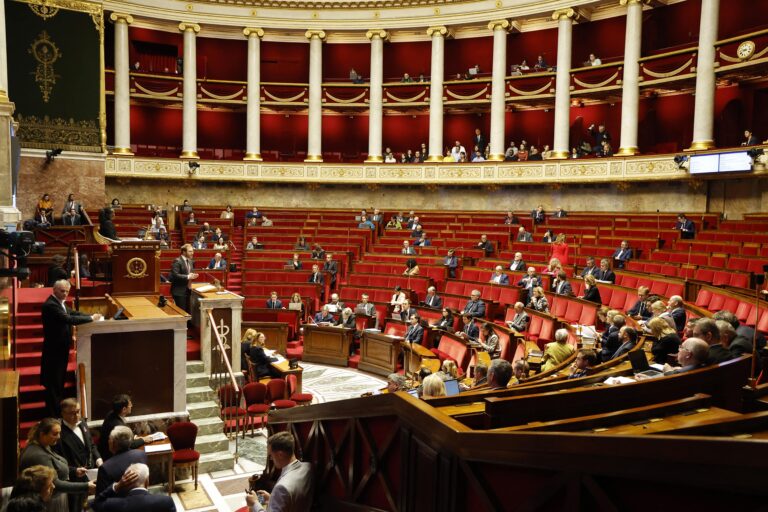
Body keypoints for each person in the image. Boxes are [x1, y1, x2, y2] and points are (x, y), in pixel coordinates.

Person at [41, 280, 101, 417]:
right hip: (54, 351)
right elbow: (68, 319)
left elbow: (73, 313)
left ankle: (57, 412)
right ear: (54, 290)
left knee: (58, 382)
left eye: (67, 291)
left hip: (60, 349)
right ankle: (53, 415)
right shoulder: (50, 305)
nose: (65, 294)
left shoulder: (59, 303)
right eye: (62, 291)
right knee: (54, 384)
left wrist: (91, 316)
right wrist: (91, 318)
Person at [20, 418, 95, 510]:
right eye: (55, 434)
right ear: (42, 434)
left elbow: (55, 467)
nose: (59, 437)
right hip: (47, 502)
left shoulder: (44, 445)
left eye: (59, 433)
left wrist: (74, 471)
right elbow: (55, 484)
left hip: (54, 498)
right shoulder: (38, 455)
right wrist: (86, 486)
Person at [245, 431, 313, 512]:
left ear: (280, 455)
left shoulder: (282, 488)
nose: (271, 459)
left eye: (271, 455)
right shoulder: (308, 467)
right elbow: (293, 499)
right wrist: (272, 498)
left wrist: (254, 503)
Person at [57, 398, 102, 512]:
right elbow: (58, 461)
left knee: (86, 503)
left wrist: (99, 459)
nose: (77, 415)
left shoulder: (82, 423)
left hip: (89, 472)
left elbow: (91, 445)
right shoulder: (58, 433)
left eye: (78, 411)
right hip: (73, 479)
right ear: (63, 413)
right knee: (74, 507)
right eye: (72, 413)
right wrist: (74, 471)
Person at [92, 463, 176, 512]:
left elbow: (96, 504)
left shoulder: (114, 505)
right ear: (147, 481)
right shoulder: (166, 501)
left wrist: (116, 486)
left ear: (126, 484)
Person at [97, 395, 152, 463]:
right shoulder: (118, 425)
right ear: (124, 409)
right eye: (130, 405)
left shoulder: (112, 414)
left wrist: (134, 437)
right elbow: (129, 444)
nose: (132, 406)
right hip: (110, 458)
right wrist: (143, 440)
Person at [95, 426, 149, 495]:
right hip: (142, 497)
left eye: (109, 439)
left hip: (119, 501)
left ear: (113, 444)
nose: (108, 441)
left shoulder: (105, 468)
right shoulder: (141, 455)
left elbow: (100, 498)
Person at [170, 244, 198, 313]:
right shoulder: (177, 261)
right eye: (190, 251)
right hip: (179, 291)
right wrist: (188, 276)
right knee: (182, 312)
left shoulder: (191, 261)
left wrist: (192, 275)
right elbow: (175, 275)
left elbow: (188, 273)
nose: (192, 253)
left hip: (188, 290)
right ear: (184, 252)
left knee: (188, 312)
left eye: (192, 251)